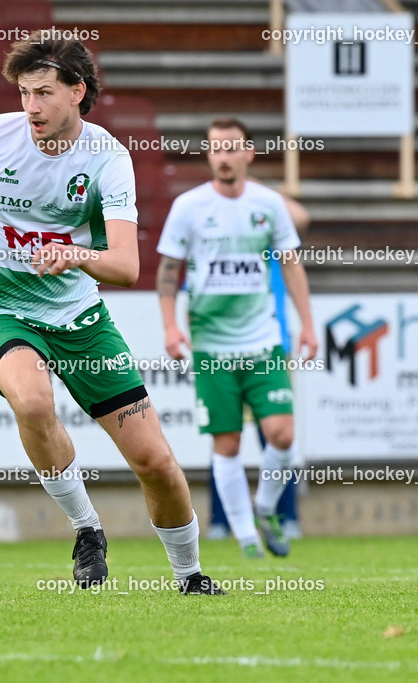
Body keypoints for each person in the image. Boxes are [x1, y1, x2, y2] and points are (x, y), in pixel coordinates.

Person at [0, 32, 224, 594]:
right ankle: (88, 530)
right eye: (23, 93)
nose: (30, 107)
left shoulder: (107, 158)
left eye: (43, 94)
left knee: (155, 461)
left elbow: (127, 267)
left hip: (81, 321)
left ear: (77, 92)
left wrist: (75, 255)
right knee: (33, 401)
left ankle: (190, 577)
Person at [156, 118, 318, 559]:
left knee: (282, 435)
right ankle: (247, 538)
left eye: (232, 148)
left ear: (249, 153)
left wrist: (307, 323)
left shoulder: (269, 204)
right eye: (216, 149)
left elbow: (291, 264)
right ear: (208, 155)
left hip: (264, 339)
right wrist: (171, 326)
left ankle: (265, 510)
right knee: (226, 442)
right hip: (211, 343)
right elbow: (169, 271)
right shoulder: (189, 206)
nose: (224, 157)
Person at [207, 180, 311, 542]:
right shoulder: (222, 240)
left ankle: (284, 516)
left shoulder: (270, 234)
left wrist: (255, 193)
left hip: (271, 347)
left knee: (279, 436)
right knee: (226, 435)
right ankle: (222, 520)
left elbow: (302, 216)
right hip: (224, 348)